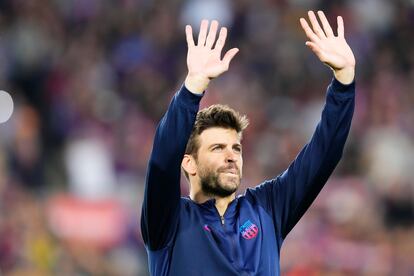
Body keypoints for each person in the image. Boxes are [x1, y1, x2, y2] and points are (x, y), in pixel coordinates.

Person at [141, 10, 355, 276]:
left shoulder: (266, 208)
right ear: (189, 163)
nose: (231, 156)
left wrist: (344, 83)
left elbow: (323, 154)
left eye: (236, 148)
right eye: (217, 148)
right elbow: (162, 162)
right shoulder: (168, 221)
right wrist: (192, 88)